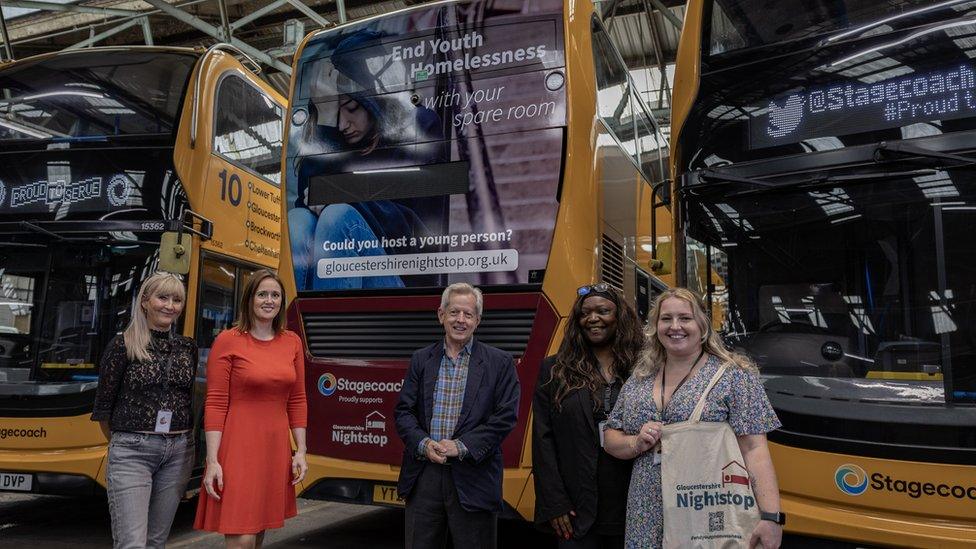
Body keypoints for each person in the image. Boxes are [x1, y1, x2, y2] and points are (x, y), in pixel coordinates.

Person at [603, 288, 783, 549]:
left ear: (702, 323)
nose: (675, 326)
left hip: (706, 510)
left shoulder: (733, 376)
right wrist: (636, 444)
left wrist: (771, 517)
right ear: (655, 326)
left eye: (685, 318)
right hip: (646, 515)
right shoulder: (639, 380)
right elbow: (610, 437)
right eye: (666, 319)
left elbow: (754, 449)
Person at [288, 29, 448, 291]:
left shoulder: (420, 126)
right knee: (297, 220)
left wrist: (345, 196)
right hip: (334, 275)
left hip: (403, 282)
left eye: (351, 108)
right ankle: (296, 329)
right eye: (332, 112)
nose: (342, 124)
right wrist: (325, 123)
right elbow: (308, 201)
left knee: (338, 215)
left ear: (374, 98)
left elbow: (418, 230)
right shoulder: (337, 134)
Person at [394, 282, 520, 549]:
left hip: (474, 475)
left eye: (468, 314)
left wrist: (461, 446)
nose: (460, 320)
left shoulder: (500, 362)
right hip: (424, 474)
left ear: (478, 320)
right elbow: (403, 412)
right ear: (441, 315)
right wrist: (424, 444)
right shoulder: (420, 359)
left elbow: (505, 417)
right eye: (454, 312)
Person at [193, 269, 307, 549]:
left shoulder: (292, 341)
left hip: (275, 448)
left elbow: (298, 399)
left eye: (275, 295)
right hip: (238, 446)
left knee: (258, 531)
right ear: (250, 299)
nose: (269, 300)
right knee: (242, 535)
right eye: (262, 294)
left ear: (282, 301)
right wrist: (212, 460)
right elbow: (216, 401)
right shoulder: (228, 340)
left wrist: (301, 450)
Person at [532, 283, 645, 548]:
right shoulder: (554, 370)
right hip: (575, 510)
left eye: (603, 311)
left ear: (620, 317)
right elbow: (542, 440)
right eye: (585, 313)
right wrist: (554, 502)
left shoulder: (644, 368)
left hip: (635, 504)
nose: (593, 318)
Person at [90, 271, 197, 549]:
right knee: (132, 544)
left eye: (177, 300)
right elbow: (103, 408)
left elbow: (187, 399)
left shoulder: (188, 348)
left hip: (179, 452)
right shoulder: (122, 345)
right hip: (131, 451)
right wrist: (125, 443)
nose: (169, 306)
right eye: (163, 297)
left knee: (156, 542)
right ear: (145, 302)